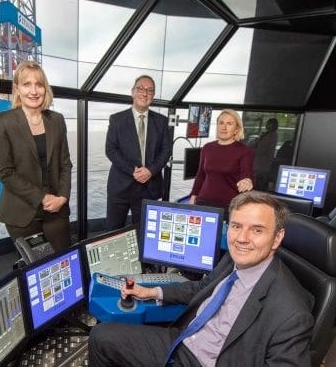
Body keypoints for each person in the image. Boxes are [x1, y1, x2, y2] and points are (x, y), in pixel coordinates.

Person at [88, 191, 314, 367]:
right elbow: (203, 287)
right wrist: (152, 292)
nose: (242, 238)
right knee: (101, 335)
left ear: (277, 237)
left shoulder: (292, 315)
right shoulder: (232, 260)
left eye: (256, 230)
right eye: (236, 226)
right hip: (183, 342)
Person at [0, 61, 72, 251]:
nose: (34, 91)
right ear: (17, 89)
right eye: (26, 84)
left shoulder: (57, 120)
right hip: (21, 212)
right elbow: (6, 172)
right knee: (35, 271)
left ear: (45, 88)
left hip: (56, 208)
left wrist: (62, 197)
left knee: (64, 262)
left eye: (39, 84)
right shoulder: (4, 121)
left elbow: (65, 163)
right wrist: (42, 197)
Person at [105, 75, 171, 230]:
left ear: (153, 96)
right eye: (140, 88)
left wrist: (150, 171)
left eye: (149, 90)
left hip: (149, 188)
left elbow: (166, 150)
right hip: (120, 186)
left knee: (144, 234)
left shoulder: (161, 121)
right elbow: (110, 150)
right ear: (132, 92)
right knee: (113, 232)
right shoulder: (117, 120)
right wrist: (132, 171)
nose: (144, 93)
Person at [189, 109, 254, 211]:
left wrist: (247, 181)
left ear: (237, 129)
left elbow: (246, 174)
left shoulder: (244, 151)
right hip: (203, 202)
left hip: (229, 206)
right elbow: (201, 175)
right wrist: (193, 196)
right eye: (221, 123)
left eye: (229, 123)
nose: (224, 127)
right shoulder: (207, 148)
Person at [250, 118, 278, 191]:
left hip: (263, 164)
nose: (266, 125)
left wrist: (254, 147)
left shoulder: (272, 135)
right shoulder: (267, 134)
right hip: (259, 162)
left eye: (268, 123)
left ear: (273, 125)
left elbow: (262, 149)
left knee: (260, 182)